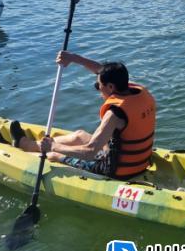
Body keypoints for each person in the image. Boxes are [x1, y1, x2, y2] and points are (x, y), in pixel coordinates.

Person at [12, 52, 157, 180]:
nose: (98, 89)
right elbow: (101, 70)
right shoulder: (137, 91)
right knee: (79, 135)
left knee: (53, 155)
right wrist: (73, 58)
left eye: (98, 85)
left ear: (110, 87)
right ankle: (26, 144)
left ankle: (24, 153)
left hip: (115, 169)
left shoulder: (114, 114)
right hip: (139, 161)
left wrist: (54, 146)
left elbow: (89, 152)